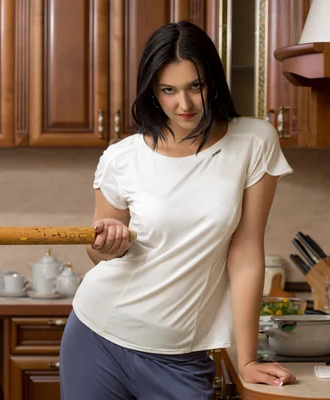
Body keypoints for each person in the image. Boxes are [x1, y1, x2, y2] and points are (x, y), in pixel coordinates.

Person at [59, 21, 296, 399]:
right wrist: (108, 244)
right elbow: (97, 249)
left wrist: (247, 358)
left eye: (194, 87)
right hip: (97, 336)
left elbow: (247, 250)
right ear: (152, 90)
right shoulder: (122, 158)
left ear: (213, 82)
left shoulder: (253, 142)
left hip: (182, 354)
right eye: (168, 90)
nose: (183, 104)